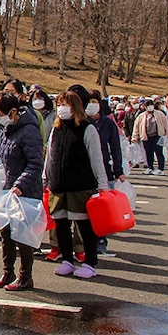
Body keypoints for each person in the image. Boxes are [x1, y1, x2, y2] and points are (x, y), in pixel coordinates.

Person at [43, 91, 109, 279]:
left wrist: (102, 185)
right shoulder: (57, 128)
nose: (61, 108)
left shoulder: (87, 128)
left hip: (81, 186)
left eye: (66, 104)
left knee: (84, 226)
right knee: (61, 224)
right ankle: (67, 261)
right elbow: (50, 156)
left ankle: (89, 263)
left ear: (75, 107)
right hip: (58, 185)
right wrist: (45, 178)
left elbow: (97, 158)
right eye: (59, 104)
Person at [0, 93, 44, 291]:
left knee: (23, 236)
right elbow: (3, 153)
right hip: (8, 190)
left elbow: (36, 163)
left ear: (13, 111)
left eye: (1, 114)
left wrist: (20, 185)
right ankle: (8, 272)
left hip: (25, 192)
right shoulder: (7, 129)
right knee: (6, 234)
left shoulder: (29, 131)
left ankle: (25, 277)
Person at [88, 89, 126, 254]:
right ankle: (85, 244)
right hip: (86, 171)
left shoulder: (108, 123)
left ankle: (101, 242)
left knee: (102, 210)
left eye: (94, 102)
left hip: (104, 169)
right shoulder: (82, 121)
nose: (91, 105)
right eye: (89, 102)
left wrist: (118, 170)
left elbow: (115, 148)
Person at [131, 99, 168, 175]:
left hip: (157, 136)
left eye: (151, 105)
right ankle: (150, 167)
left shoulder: (160, 114)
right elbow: (136, 127)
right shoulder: (141, 116)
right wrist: (135, 137)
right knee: (148, 153)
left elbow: (166, 124)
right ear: (145, 107)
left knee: (159, 152)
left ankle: (161, 169)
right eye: (148, 106)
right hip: (146, 137)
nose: (150, 107)